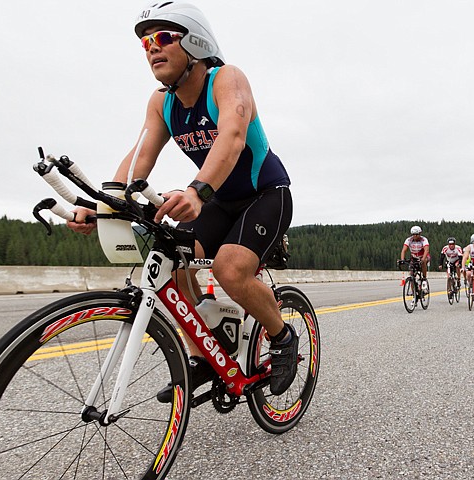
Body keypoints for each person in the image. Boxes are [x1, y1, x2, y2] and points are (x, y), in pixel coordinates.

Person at [67, 2, 297, 396]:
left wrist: (197, 191)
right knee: (171, 265)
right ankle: (203, 355)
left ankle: (282, 337)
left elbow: (232, 137)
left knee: (229, 270)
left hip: (265, 194)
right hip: (218, 201)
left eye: (162, 37)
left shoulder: (226, 79)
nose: (152, 48)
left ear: (194, 42)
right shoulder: (161, 102)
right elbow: (139, 157)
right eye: (145, 44)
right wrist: (102, 206)